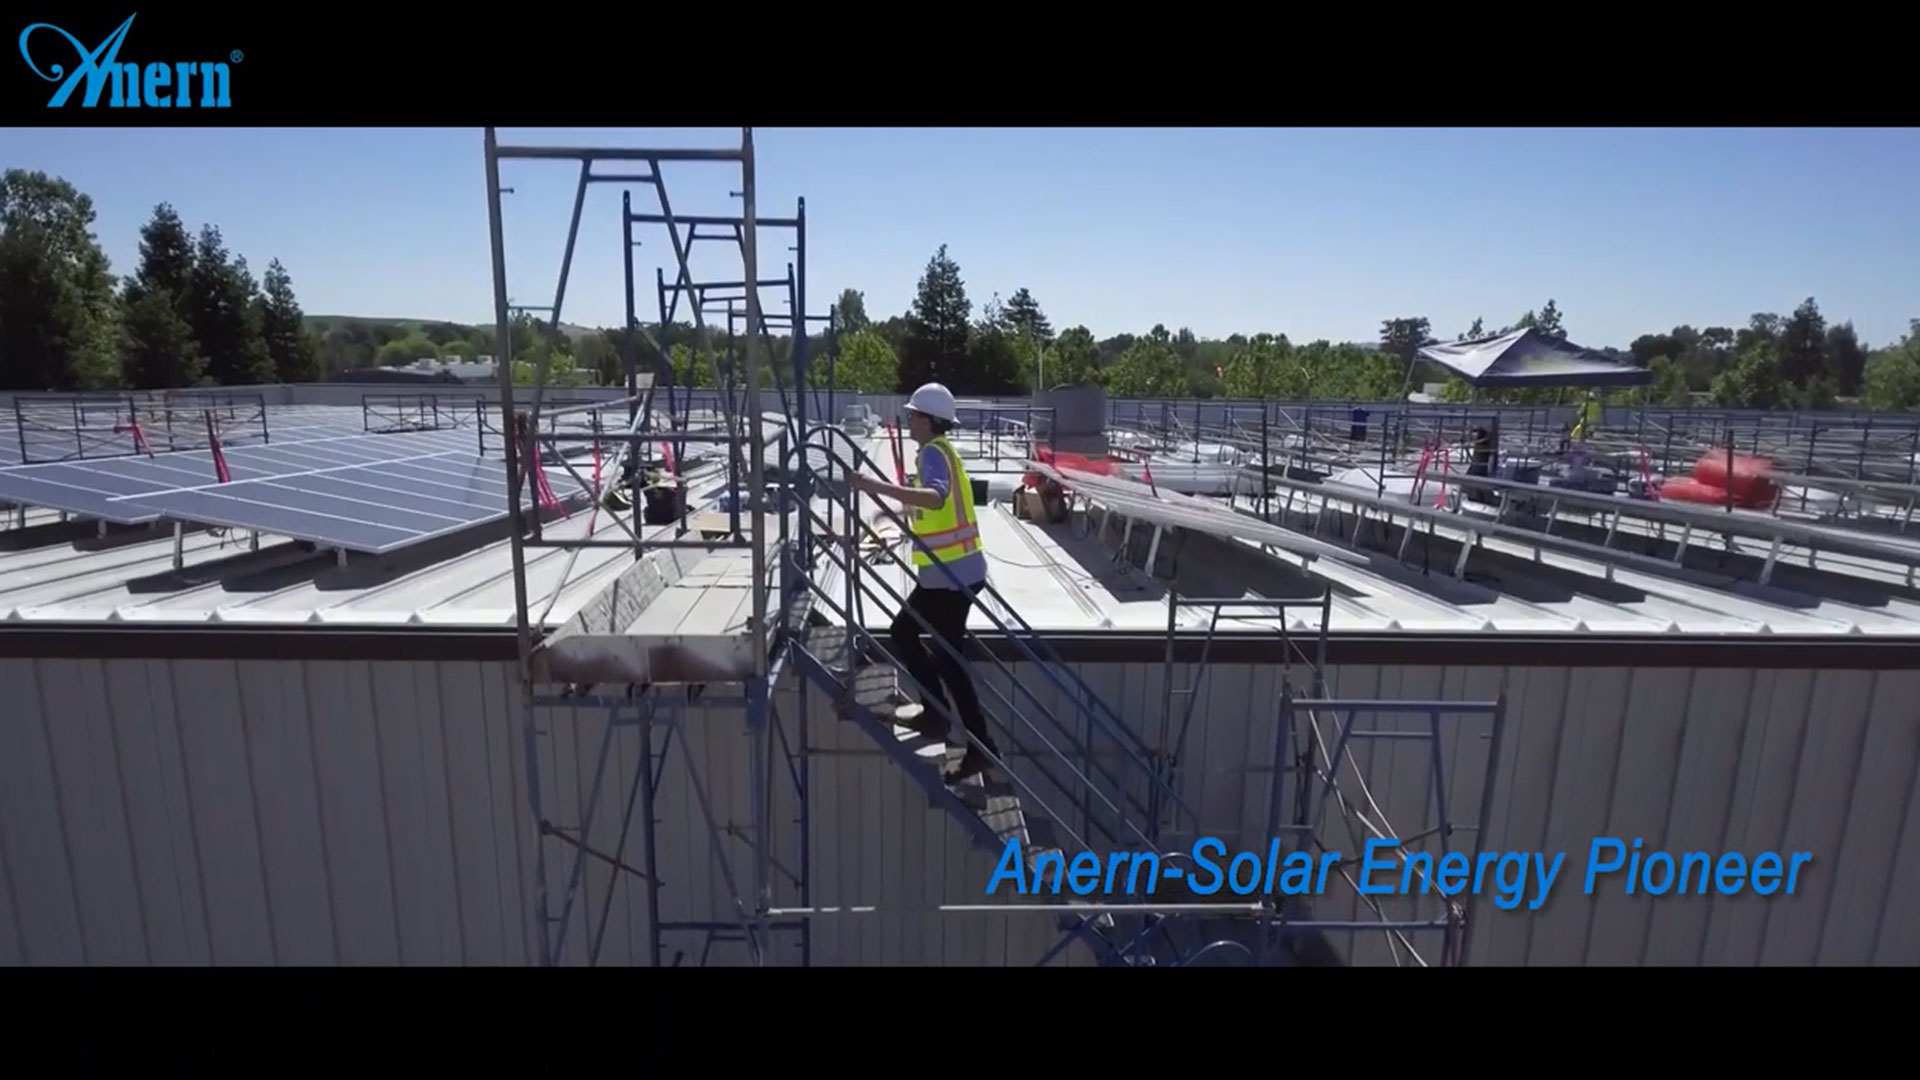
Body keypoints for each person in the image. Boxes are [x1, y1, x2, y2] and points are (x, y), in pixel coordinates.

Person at [847, 382, 1000, 785]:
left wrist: (872, 487)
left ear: (930, 420)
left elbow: (934, 498)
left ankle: (975, 743)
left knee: (935, 651)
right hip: (952, 573)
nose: (909, 419)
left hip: (951, 577)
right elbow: (935, 507)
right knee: (917, 639)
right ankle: (942, 719)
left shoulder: (933, 454)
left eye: (914, 415)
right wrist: (893, 514)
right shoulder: (940, 453)